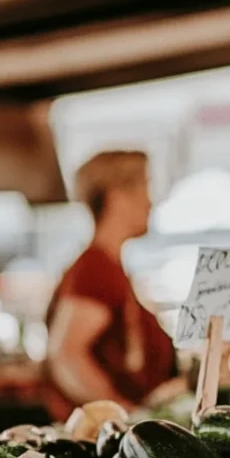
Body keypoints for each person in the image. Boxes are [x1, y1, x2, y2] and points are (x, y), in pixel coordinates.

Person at [43, 151, 176, 422]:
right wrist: (120, 414)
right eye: (144, 187)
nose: (150, 202)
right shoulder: (95, 268)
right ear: (116, 196)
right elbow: (67, 355)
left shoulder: (109, 266)